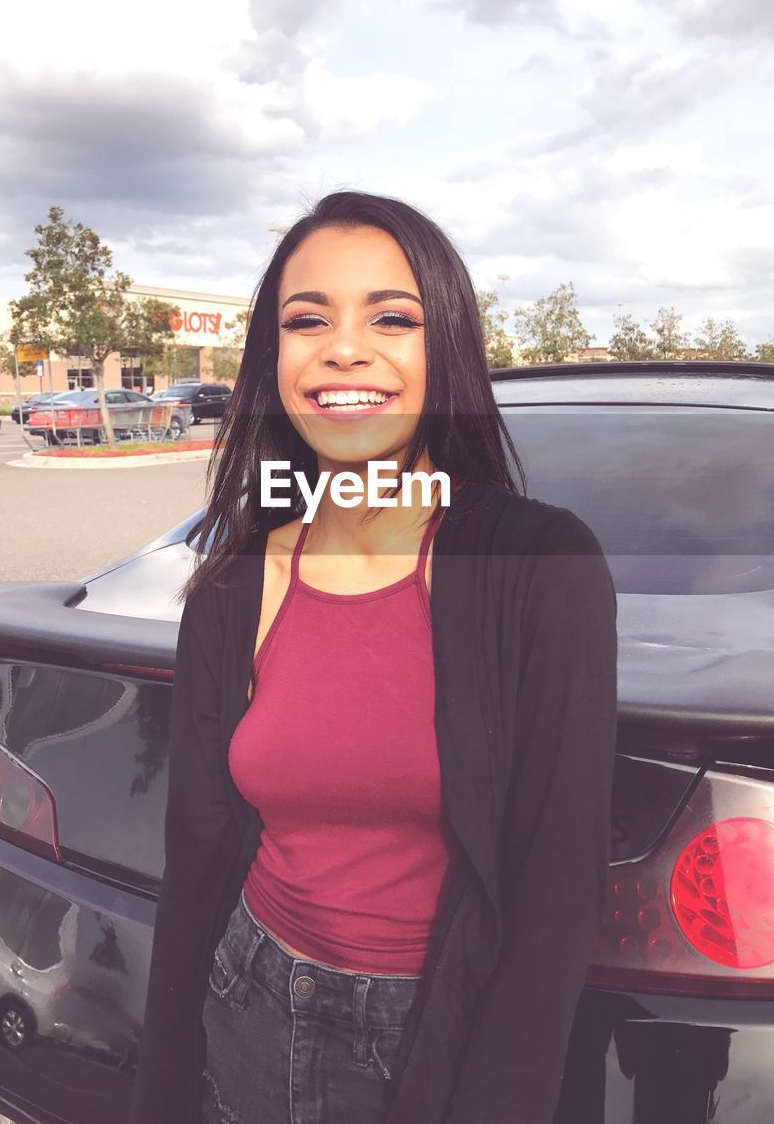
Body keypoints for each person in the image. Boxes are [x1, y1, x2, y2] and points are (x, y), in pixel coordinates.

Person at [130, 191, 618, 1124]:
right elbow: (197, 856)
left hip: (432, 1036)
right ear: (275, 362)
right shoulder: (234, 579)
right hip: (247, 1001)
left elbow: (556, 898)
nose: (343, 347)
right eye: (307, 320)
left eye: (391, 318)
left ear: (448, 352)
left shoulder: (538, 564)